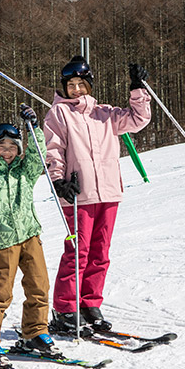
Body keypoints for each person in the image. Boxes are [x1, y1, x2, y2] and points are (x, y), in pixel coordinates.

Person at [44, 57, 152, 335]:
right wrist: (58, 181)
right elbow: (54, 150)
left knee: (100, 253)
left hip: (108, 193)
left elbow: (139, 119)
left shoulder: (104, 113)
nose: (77, 90)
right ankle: (66, 308)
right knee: (77, 253)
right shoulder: (59, 114)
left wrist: (138, 88)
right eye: (71, 85)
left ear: (89, 85)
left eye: (81, 84)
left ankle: (90, 303)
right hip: (78, 194)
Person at [0, 104, 60, 369]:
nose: (7, 152)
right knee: (1, 293)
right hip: (4, 242)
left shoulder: (24, 172)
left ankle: (34, 333)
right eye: (1, 147)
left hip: (30, 236)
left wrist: (34, 127)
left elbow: (39, 156)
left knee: (39, 286)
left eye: (12, 147)